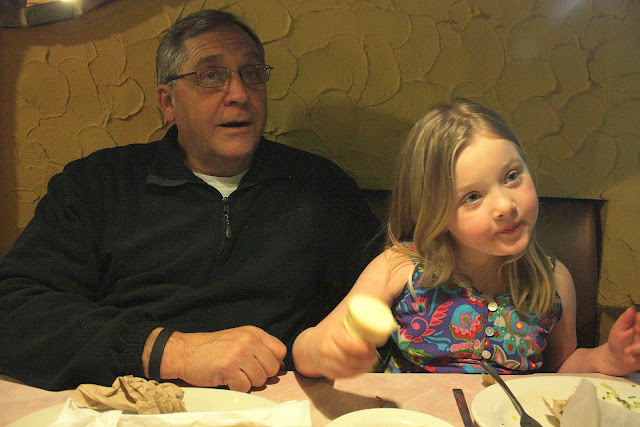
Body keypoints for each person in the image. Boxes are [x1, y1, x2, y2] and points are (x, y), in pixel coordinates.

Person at [0, 9, 381, 392]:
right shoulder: (97, 185)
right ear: (168, 103)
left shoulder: (325, 189)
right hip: (136, 401)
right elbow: (12, 311)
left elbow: (392, 306)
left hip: (281, 401)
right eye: (210, 76)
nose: (239, 94)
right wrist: (170, 351)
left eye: (251, 73)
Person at [293, 98, 640, 379]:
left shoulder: (553, 281)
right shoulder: (400, 267)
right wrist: (325, 351)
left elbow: (560, 370)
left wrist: (607, 357)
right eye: (472, 197)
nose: (505, 206)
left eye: (512, 176)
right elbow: (306, 350)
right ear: (437, 214)